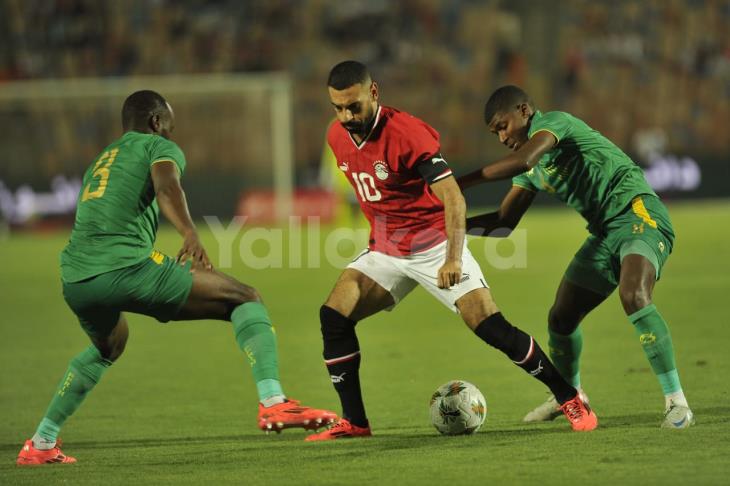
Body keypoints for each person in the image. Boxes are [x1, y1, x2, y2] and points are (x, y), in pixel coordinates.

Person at [16, 90, 337, 466]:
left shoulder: (102, 159)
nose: (171, 132)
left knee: (109, 345)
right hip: (124, 266)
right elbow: (168, 185)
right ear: (155, 122)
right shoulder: (156, 146)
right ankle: (274, 402)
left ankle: (41, 442)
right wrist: (189, 231)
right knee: (245, 297)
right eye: (169, 125)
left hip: (76, 278)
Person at [306, 61, 596, 442]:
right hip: (387, 250)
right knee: (334, 315)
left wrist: (453, 258)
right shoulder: (336, 136)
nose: (346, 116)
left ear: (373, 93)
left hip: (436, 245)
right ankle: (356, 422)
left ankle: (570, 398)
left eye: (354, 106)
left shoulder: (408, 133)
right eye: (338, 108)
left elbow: (454, 199)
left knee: (491, 327)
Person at [457, 85, 693, 429]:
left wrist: (459, 181)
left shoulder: (555, 124)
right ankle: (569, 395)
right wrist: (451, 226)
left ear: (523, 111)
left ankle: (677, 403)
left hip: (639, 213)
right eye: (495, 133)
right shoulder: (530, 167)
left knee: (634, 295)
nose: (501, 136)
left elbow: (522, 159)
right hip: (604, 234)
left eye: (502, 125)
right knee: (561, 318)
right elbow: (504, 223)